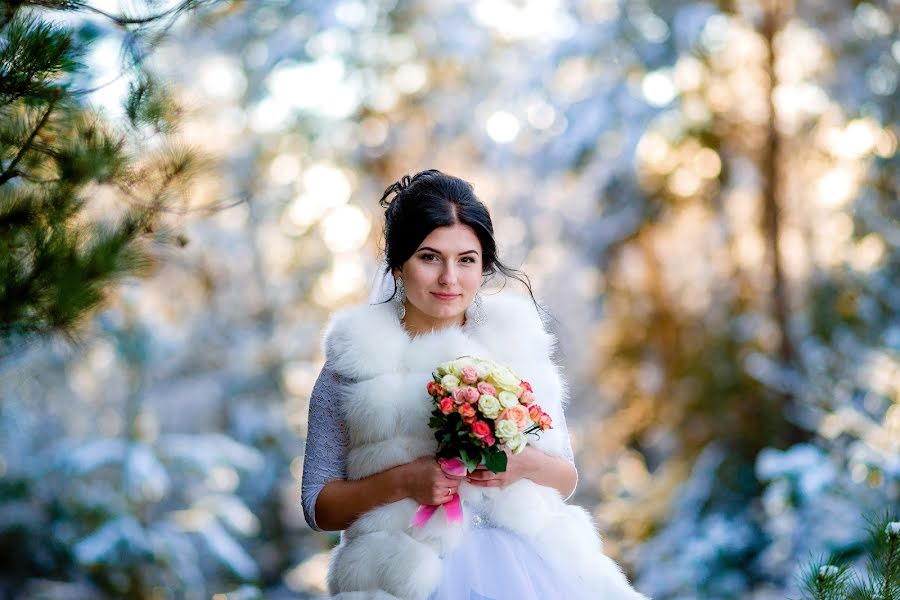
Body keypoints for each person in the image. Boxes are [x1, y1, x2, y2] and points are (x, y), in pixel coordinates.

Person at [301, 169, 648, 600]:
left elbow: (565, 476)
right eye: (430, 257)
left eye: (466, 259)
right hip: (404, 576)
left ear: (483, 265)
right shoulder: (354, 364)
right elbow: (318, 505)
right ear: (397, 264)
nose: (450, 278)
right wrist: (404, 482)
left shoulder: (518, 348)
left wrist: (521, 466)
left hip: (531, 567)